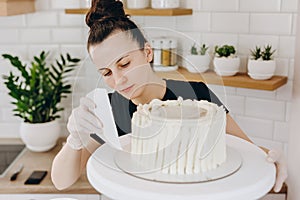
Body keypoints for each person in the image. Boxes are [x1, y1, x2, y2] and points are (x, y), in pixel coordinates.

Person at [51, 0, 287, 193]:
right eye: (107, 72)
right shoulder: (110, 110)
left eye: (124, 64)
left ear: (148, 52)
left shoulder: (197, 96)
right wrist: (75, 139)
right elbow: (61, 181)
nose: (118, 80)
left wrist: (270, 159)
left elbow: (246, 149)